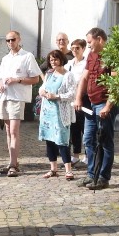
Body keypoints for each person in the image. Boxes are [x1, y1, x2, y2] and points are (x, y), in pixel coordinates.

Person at [75, 27, 118, 191]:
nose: (89, 45)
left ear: (100, 39)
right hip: (91, 104)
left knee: (105, 141)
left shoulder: (112, 56)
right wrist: (79, 97)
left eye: (90, 42)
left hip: (104, 104)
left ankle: (103, 177)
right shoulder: (91, 55)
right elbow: (84, 77)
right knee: (88, 139)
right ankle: (91, 174)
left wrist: (108, 105)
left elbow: (117, 83)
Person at [0, 30, 43, 177]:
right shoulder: (5, 59)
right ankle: (12, 162)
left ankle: (13, 165)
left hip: (17, 97)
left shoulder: (27, 56)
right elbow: (0, 78)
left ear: (19, 39)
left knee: (14, 131)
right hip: (4, 97)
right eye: (8, 40)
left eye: (13, 39)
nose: (10, 42)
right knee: (8, 131)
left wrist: (17, 80)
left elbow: (36, 79)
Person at [38, 49, 78, 180]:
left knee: (62, 141)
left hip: (60, 113)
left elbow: (72, 94)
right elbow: (41, 88)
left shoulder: (68, 75)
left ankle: (68, 170)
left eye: (55, 59)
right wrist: (43, 92)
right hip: (47, 113)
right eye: (51, 60)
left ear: (61, 59)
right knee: (49, 141)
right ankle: (53, 169)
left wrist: (57, 96)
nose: (53, 62)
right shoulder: (49, 74)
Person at [65, 39, 88, 166]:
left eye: (77, 48)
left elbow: (84, 80)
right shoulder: (68, 64)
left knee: (85, 127)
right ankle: (76, 155)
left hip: (83, 98)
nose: (74, 50)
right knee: (74, 128)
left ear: (83, 48)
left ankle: (88, 154)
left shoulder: (86, 63)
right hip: (70, 99)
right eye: (72, 48)